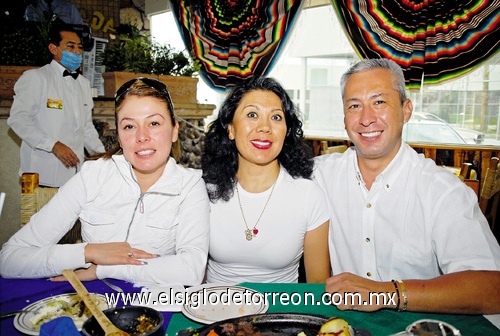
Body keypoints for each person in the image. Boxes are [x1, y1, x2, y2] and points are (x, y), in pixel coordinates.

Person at [314, 58, 500, 314]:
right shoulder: (321, 175)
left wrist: (387, 293)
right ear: (344, 118)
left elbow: (492, 289)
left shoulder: (443, 191)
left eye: (379, 102)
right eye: (354, 106)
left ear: (406, 110)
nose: (366, 119)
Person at [0, 78, 211, 286]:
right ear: (119, 136)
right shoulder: (93, 176)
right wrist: (89, 252)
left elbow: (191, 270)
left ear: (174, 130)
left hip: (156, 306)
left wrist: (103, 269)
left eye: (154, 123)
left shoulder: (189, 186)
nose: (142, 136)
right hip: (92, 303)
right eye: (129, 126)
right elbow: (9, 260)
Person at [202, 77, 330, 284]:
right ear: (230, 129)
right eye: (252, 115)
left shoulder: (309, 196)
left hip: (281, 312)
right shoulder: (203, 191)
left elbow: (317, 288)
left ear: (286, 131)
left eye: (276, 117)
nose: (264, 127)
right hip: (214, 311)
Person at [8, 23, 104, 187]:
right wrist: (53, 145)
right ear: (53, 48)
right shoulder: (36, 78)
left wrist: (103, 156)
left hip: (75, 176)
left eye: (79, 47)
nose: (77, 51)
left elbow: (86, 128)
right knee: (37, 213)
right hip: (38, 175)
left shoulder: (84, 84)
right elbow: (18, 120)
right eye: (70, 46)